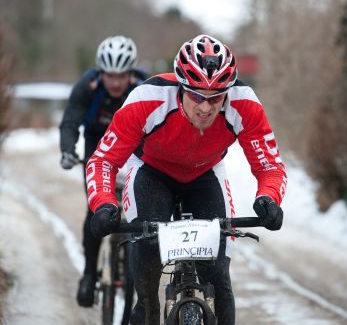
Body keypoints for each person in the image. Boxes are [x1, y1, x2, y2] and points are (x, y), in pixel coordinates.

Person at [86, 34, 287, 325]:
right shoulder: (147, 99)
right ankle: (146, 310)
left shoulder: (245, 105)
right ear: (181, 87)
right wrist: (103, 203)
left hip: (206, 173)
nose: (206, 108)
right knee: (147, 263)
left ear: (228, 92)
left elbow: (270, 166)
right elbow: (103, 161)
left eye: (216, 98)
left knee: (218, 277)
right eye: (196, 96)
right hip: (151, 171)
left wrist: (268, 198)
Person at [59, 35, 147, 307]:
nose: (117, 82)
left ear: (131, 73)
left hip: (134, 149)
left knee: (138, 212)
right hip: (96, 147)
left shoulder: (144, 87)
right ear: (101, 73)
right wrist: (67, 149)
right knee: (95, 209)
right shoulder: (87, 86)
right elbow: (70, 121)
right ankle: (88, 274)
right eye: (110, 75)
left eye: (122, 75)